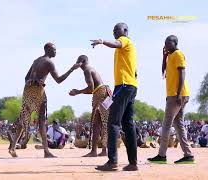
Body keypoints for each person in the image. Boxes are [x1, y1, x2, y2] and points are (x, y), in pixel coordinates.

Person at [8, 42, 80, 158]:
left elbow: (26, 78)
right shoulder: (49, 62)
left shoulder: (36, 60)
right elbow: (59, 80)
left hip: (27, 90)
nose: (55, 52)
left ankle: (12, 147)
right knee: (42, 121)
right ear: (47, 49)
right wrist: (72, 69)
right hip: (38, 92)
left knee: (24, 119)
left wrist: (31, 81)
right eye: (54, 50)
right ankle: (46, 151)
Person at [91, 23, 138, 171]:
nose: (114, 33)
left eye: (116, 30)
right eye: (113, 31)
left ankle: (112, 162)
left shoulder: (125, 41)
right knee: (128, 124)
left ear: (125, 31)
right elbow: (134, 71)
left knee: (113, 123)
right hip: (130, 86)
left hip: (123, 86)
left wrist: (102, 41)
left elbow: (117, 43)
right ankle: (133, 163)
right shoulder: (127, 49)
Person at [148, 35, 195, 164]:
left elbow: (182, 74)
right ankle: (188, 155)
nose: (166, 45)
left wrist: (179, 94)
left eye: (168, 43)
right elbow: (163, 72)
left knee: (166, 124)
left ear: (175, 43)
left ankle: (162, 155)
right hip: (174, 95)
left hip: (177, 95)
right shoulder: (170, 56)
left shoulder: (179, 54)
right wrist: (164, 56)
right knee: (178, 125)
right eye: (165, 43)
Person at [69, 55, 110, 157]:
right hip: (103, 93)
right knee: (98, 123)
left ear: (82, 62)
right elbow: (92, 89)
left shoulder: (87, 70)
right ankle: (97, 151)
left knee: (102, 122)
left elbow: (91, 88)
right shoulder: (90, 69)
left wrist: (78, 92)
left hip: (101, 94)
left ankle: (99, 151)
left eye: (78, 62)